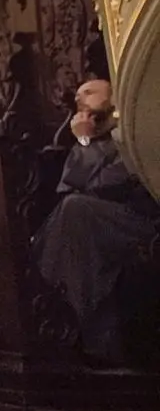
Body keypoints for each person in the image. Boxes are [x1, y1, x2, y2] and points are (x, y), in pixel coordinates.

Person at [35, 76, 160, 369]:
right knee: (74, 214)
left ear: (113, 97)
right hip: (98, 220)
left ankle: (53, 297)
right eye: (78, 95)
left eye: (90, 92)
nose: (80, 98)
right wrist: (85, 142)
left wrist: (85, 142)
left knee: (76, 210)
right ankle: (82, 331)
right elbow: (69, 185)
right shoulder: (91, 138)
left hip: (140, 219)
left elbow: (106, 185)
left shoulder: (131, 132)